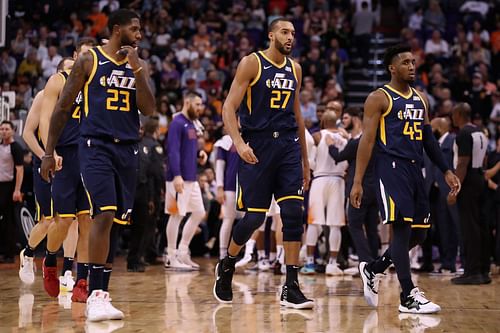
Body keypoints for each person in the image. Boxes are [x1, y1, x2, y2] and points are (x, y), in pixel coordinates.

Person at [41, 9, 155, 321]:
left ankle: (102, 293)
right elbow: (63, 107)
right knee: (102, 214)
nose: (139, 34)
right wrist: (48, 152)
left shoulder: (136, 66)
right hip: (96, 146)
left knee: (116, 222)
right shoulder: (89, 60)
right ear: (117, 29)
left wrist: (137, 70)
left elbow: (149, 108)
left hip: (127, 150)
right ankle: (92, 293)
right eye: (135, 29)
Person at [350, 44, 460, 314]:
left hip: (415, 170)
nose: (412, 66)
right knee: (401, 229)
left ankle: (374, 269)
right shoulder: (379, 98)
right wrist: (357, 180)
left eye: (413, 62)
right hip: (391, 168)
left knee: (418, 235)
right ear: (392, 68)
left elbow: (427, 137)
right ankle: (408, 295)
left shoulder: (421, 98)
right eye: (405, 62)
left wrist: (446, 169)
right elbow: (367, 141)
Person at [214, 18, 314, 309]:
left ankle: (291, 287)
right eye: (285, 32)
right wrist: (239, 143)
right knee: (255, 218)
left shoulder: (295, 68)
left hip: (288, 147)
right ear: (271, 35)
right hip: (257, 145)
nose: (290, 37)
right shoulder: (251, 63)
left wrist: (305, 161)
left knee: (293, 213)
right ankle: (229, 262)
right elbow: (228, 107)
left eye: (294, 33)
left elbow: (298, 116)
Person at [38, 38, 97, 302]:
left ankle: (81, 281)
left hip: (90, 155)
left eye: (91, 55)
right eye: (83, 55)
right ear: (75, 55)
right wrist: (49, 153)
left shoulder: (95, 82)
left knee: (87, 221)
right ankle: (50, 260)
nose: (86, 60)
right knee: (63, 220)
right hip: (65, 155)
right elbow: (45, 121)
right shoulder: (58, 81)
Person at [18, 58, 74, 285]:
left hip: (70, 160)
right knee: (48, 220)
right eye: (70, 68)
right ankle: (29, 253)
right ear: (59, 74)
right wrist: (45, 156)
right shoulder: (44, 96)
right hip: (47, 160)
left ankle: (68, 271)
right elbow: (27, 134)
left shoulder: (81, 98)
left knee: (71, 219)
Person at [327, 107, 380, 263]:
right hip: (374, 188)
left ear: (356, 120)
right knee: (371, 228)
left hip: (359, 188)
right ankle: (375, 262)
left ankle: (365, 261)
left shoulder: (356, 143)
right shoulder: (375, 141)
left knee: (354, 225)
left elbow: (339, 156)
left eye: (346, 118)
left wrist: (331, 145)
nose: (343, 122)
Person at [301, 110, 348, 276]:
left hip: (320, 180)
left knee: (314, 223)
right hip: (338, 180)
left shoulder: (317, 136)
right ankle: (332, 264)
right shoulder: (345, 137)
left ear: (322, 122)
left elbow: (310, 162)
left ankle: (309, 263)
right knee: (335, 224)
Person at [164, 93, 207, 271]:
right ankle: (171, 256)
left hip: (191, 177)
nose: (200, 108)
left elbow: (188, 147)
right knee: (176, 215)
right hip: (178, 178)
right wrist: (176, 175)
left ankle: (182, 252)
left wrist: (199, 154)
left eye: (201, 105)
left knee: (199, 212)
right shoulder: (177, 123)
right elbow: (173, 151)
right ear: (186, 102)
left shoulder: (191, 123)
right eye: (197, 104)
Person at [450, 103, 490, 285]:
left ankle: (472, 271)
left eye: (453, 114)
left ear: (459, 115)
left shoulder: (463, 134)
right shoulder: (481, 131)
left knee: (469, 228)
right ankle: (483, 271)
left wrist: (455, 189)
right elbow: (485, 159)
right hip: (480, 178)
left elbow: (462, 164)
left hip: (469, 181)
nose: (452, 118)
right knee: (481, 226)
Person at [127, 117, 164, 272]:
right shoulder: (127, 146)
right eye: (137, 128)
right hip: (127, 190)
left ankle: (135, 259)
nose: (140, 131)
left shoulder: (145, 147)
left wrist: (152, 197)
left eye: (141, 129)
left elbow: (153, 173)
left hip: (142, 191)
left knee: (141, 227)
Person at [0, 120, 24, 264]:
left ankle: (10, 253)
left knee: (8, 220)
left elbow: (19, 170)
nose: (4, 131)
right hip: (0, 185)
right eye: (2, 129)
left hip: (9, 187)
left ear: (12, 131)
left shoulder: (16, 148)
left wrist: (17, 190)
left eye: (6, 129)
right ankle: (3, 250)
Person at [214, 133, 241, 260]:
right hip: (230, 187)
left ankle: (246, 253)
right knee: (228, 219)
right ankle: (223, 254)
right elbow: (219, 166)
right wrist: (219, 187)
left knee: (248, 221)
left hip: (248, 187)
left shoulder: (252, 137)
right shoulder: (225, 141)